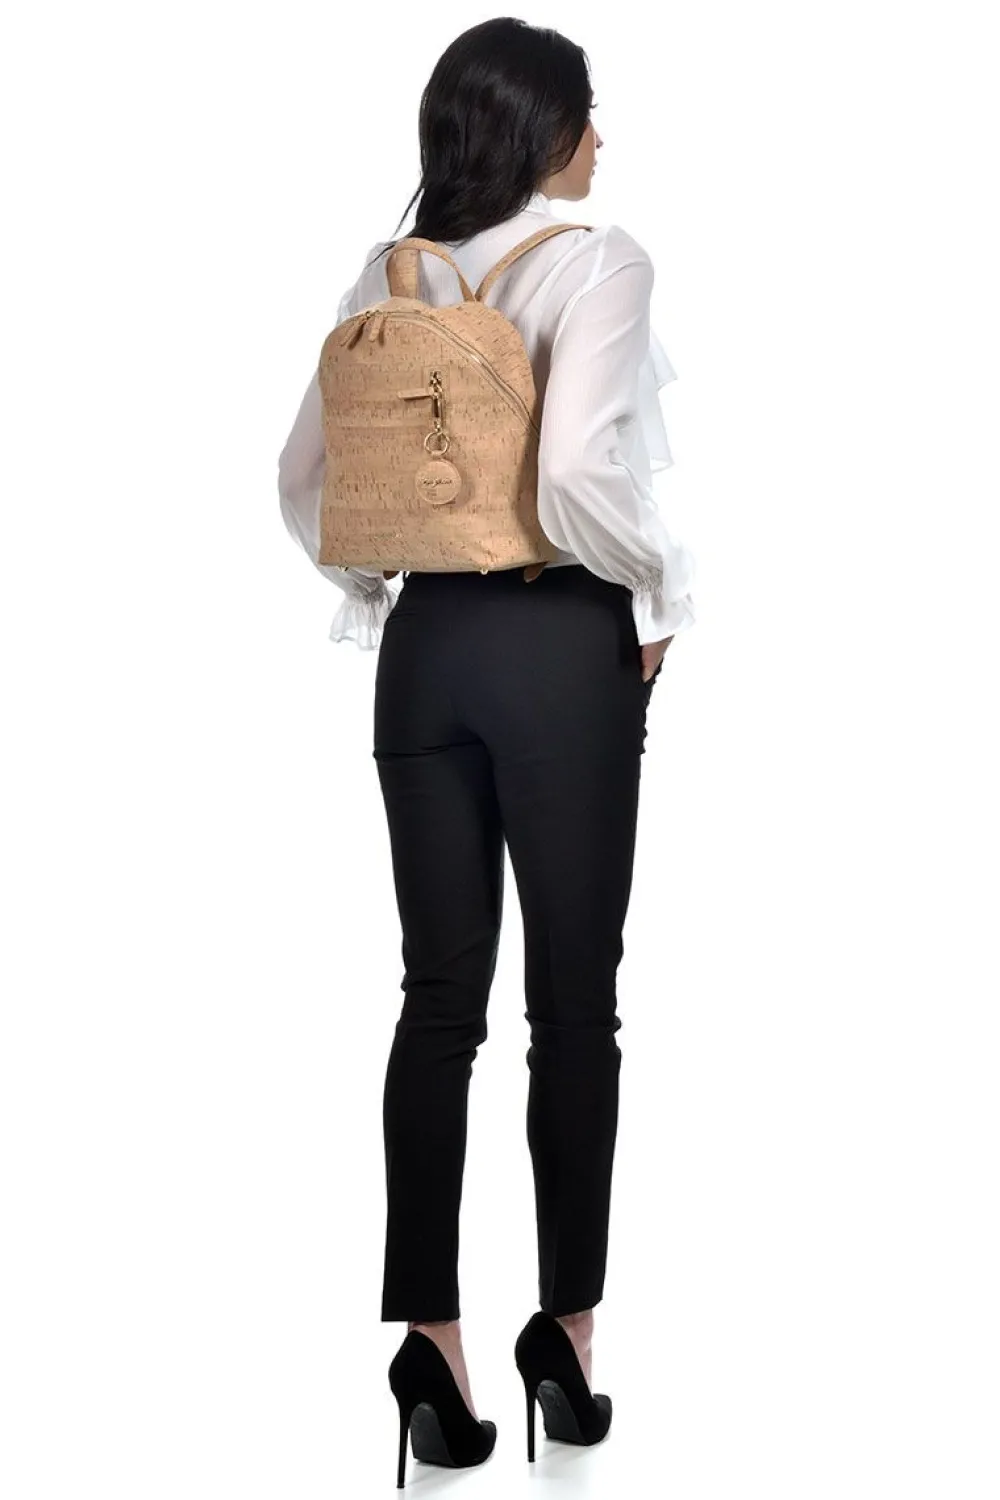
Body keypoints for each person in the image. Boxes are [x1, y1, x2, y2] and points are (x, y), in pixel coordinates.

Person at [276, 16, 696, 1486]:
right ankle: (565, 1342)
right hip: (559, 649)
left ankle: (430, 1350)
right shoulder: (599, 260)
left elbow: (303, 481)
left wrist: (378, 582)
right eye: (589, 114)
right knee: (574, 1009)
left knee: (436, 1002)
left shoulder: (385, 277)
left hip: (425, 657)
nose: (603, 138)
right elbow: (577, 466)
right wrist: (662, 588)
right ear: (544, 129)